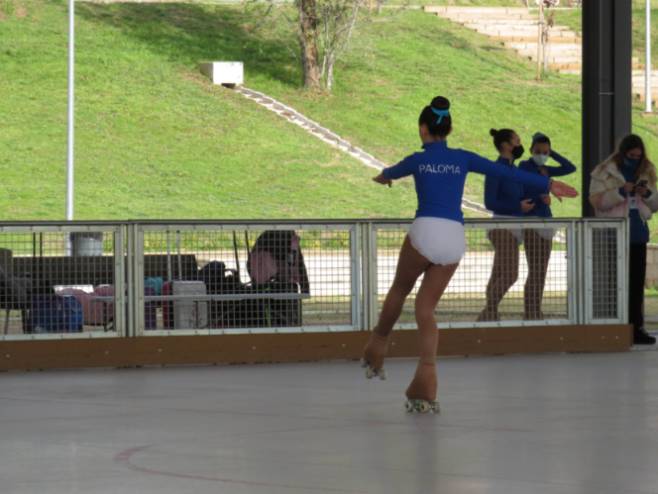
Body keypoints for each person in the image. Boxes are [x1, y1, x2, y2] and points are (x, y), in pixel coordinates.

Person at [363, 96, 578, 413]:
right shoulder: (462, 158)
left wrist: (383, 178)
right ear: (449, 130)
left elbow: (388, 172)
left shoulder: (417, 160)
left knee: (400, 289)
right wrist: (548, 183)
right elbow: (508, 173)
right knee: (426, 310)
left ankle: (378, 344)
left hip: (425, 231)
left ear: (422, 129)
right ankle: (426, 381)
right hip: (453, 238)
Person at [589, 134, 658, 345]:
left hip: (638, 232)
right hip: (615, 232)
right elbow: (597, 202)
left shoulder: (647, 170)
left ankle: (636, 328)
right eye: (631, 156)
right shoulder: (604, 171)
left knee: (636, 283)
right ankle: (617, 326)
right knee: (617, 281)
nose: (635, 160)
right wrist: (620, 191)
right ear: (623, 153)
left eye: (638, 156)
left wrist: (647, 194)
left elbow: (655, 204)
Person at [518, 132, 577, 319]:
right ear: (531, 150)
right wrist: (540, 196)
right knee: (535, 269)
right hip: (531, 221)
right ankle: (530, 311)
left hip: (546, 221)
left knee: (542, 270)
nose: (541, 155)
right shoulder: (524, 166)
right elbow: (525, 189)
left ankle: (536, 309)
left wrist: (552, 154)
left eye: (545, 152)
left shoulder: (546, 169)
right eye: (538, 152)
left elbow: (570, 167)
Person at [477, 128, 531, 322]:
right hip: (502, 226)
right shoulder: (496, 169)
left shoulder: (514, 170)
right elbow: (490, 202)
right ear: (505, 145)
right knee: (510, 274)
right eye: (516, 140)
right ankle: (488, 312)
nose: (520, 144)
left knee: (499, 273)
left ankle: (490, 315)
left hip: (514, 226)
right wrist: (517, 206)